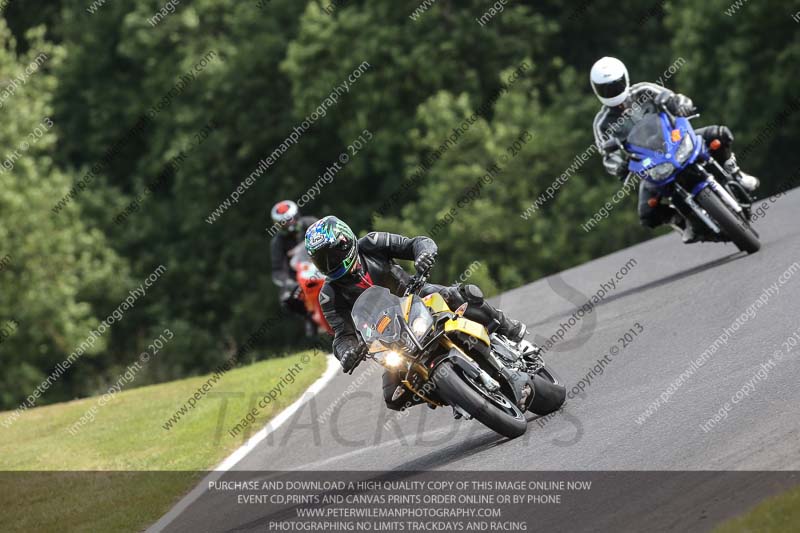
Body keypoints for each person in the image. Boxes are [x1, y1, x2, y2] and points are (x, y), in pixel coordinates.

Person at [305, 216, 527, 411]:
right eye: (321, 260)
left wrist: (423, 255)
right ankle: (454, 395)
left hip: (417, 298)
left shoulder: (372, 243)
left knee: (457, 295)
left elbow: (417, 243)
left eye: (332, 255)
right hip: (388, 336)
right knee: (393, 396)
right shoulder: (329, 295)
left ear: (345, 241)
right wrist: (347, 352)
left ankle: (507, 327)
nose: (329, 263)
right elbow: (342, 335)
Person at [590, 56, 759, 242]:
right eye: (605, 88)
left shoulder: (643, 90)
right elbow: (607, 155)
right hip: (650, 163)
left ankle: (736, 174)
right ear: (596, 89)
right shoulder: (602, 123)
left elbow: (672, 97)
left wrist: (680, 103)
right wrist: (620, 167)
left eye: (615, 84)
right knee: (647, 213)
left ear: (625, 79)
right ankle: (682, 222)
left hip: (677, 140)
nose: (611, 91)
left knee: (719, 134)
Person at [269, 200, 318, 321]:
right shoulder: (277, 243)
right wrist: (288, 282)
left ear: (296, 215)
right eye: (283, 222)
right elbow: (278, 269)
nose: (288, 224)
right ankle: (310, 318)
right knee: (287, 298)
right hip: (299, 278)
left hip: (322, 264)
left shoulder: (310, 223)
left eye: (290, 219)